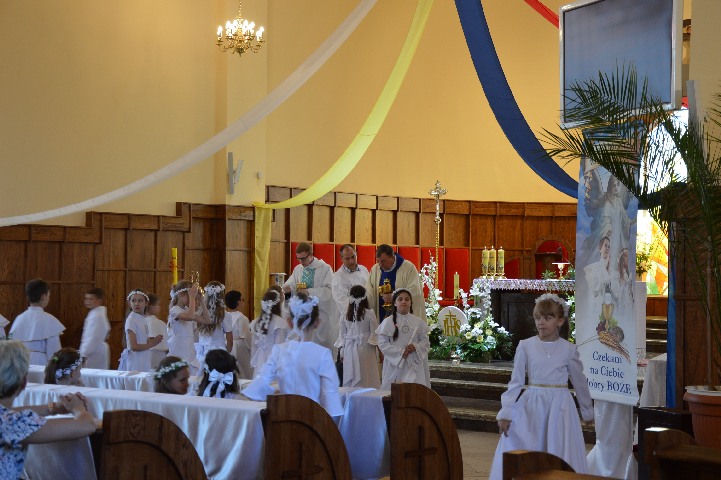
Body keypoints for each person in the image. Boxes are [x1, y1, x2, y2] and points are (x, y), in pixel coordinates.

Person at [488, 293, 594, 480]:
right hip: (532, 405)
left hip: (560, 408)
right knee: (530, 446)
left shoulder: (569, 349)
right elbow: (516, 382)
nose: (541, 322)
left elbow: (580, 382)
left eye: (547, 318)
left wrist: (587, 411)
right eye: (538, 318)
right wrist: (506, 412)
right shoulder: (526, 346)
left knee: (558, 448)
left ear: (560, 321)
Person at [0, 340, 96, 479]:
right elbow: (88, 425)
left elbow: (12, 412)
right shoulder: (14, 423)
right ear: (23, 383)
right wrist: (79, 408)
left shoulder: (8, 418)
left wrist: (53, 408)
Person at [243, 292, 343, 416]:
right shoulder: (323, 354)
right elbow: (331, 400)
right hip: (311, 418)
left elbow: (258, 387)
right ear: (317, 322)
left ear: (290, 322)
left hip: (283, 417)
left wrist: (276, 393)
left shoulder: (278, 351)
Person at [282, 242, 336, 350]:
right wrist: (288, 290)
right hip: (301, 315)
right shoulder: (298, 269)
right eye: (298, 259)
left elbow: (329, 291)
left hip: (319, 315)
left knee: (318, 349)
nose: (301, 262)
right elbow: (291, 285)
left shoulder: (325, 268)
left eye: (303, 259)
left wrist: (309, 292)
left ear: (311, 255)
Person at [375, 288, 430, 390]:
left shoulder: (418, 322)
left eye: (407, 299)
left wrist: (415, 347)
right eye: (400, 299)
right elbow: (382, 343)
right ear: (395, 303)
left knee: (414, 391)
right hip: (395, 363)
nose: (404, 301)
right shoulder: (388, 322)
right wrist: (400, 352)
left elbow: (425, 342)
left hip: (413, 362)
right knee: (395, 391)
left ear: (410, 303)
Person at [9, 279, 65, 365]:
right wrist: (56, 363)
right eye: (49, 296)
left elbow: (11, 347)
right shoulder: (49, 320)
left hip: (20, 364)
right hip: (41, 365)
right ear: (43, 297)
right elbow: (54, 352)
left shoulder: (19, 319)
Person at [334, 285, 380, 388]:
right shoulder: (369, 314)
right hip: (366, 348)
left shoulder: (345, 315)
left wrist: (342, 351)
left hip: (349, 348)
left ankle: (352, 394)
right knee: (367, 374)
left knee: (351, 373)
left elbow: (342, 335)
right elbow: (374, 332)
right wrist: (376, 347)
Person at [366, 244, 425, 322]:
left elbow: (415, 292)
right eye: (378, 261)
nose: (380, 265)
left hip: (403, 320)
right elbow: (369, 291)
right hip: (381, 317)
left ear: (392, 257)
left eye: (383, 261)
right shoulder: (375, 269)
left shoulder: (408, 268)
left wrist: (394, 297)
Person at [167, 280, 211, 371]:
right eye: (189, 295)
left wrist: (201, 300)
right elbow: (190, 316)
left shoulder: (187, 309)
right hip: (179, 346)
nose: (192, 299)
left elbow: (207, 321)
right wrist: (192, 297)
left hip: (188, 347)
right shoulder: (174, 310)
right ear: (181, 294)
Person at [118, 289, 162, 372]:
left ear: (146, 303)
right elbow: (133, 346)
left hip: (143, 357)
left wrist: (150, 340)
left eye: (140, 301)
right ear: (129, 303)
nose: (136, 303)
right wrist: (151, 344)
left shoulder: (142, 318)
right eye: (133, 301)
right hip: (135, 360)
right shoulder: (131, 319)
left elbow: (140, 338)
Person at [249, 288, 288, 377]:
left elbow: (253, 347)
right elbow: (279, 347)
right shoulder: (280, 323)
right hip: (273, 362)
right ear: (277, 305)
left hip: (259, 361)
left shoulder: (256, 322)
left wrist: (253, 363)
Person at [195, 281, 233, 370]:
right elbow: (230, 340)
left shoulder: (200, 312)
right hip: (218, 352)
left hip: (202, 350)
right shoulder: (224, 314)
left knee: (203, 375)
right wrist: (227, 354)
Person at [332, 244, 369, 323]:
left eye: (353, 257)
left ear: (356, 254)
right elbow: (342, 301)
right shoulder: (338, 277)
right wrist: (359, 312)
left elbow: (369, 290)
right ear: (341, 258)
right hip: (350, 318)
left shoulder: (364, 270)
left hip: (367, 313)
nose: (351, 261)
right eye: (347, 258)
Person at [78, 287, 111, 369]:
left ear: (99, 300)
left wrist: (83, 353)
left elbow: (93, 337)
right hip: (94, 350)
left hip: (94, 351)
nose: (87, 301)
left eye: (91, 299)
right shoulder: (94, 313)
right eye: (86, 299)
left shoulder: (97, 316)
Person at [225, 290, 252, 379]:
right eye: (242, 300)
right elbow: (247, 336)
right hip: (240, 347)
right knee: (243, 372)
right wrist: (252, 347)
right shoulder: (242, 318)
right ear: (238, 302)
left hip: (227, 345)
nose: (243, 302)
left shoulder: (226, 316)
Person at [145, 293, 169, 370]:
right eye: (158, 305)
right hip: (158, 355)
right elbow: (167, 344)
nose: (159, 307)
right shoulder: (159, 323)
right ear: (151, 307)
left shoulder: (139, 321)